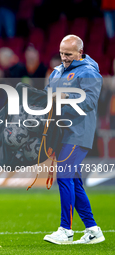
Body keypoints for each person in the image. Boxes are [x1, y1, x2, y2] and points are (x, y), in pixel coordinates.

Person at [43, 35, 105, 245]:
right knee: (74, 182)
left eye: (68, 54)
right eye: (61, 53)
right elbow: (47, 97)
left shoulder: (88, 72)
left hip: (78, 133)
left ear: (80, 52)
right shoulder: (58, 71)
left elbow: (89, 102)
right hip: (61, 133)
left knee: (64, 176)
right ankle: (93, 230)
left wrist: (62, 100)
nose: (64, 58)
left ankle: (65, 230)